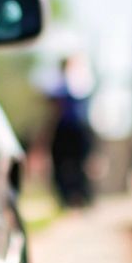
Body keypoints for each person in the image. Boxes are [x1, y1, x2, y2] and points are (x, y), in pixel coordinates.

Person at [45, 54, 97, 209]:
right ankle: (71, 199)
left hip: (76, 129)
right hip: (69, 129)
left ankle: (80, 198)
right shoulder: (66, 83)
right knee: (65, 165)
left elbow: (53, 105)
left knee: (77, 166)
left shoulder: (77, 82)